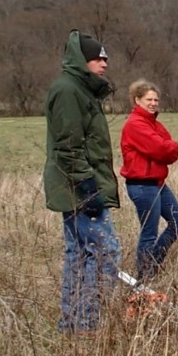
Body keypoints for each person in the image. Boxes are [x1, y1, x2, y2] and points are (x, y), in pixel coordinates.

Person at [44, 30, 120, 333]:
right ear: (82, 59)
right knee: (105, 253)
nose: (104, 64)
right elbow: (68, 145)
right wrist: (87, 186)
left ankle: (73, 325)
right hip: (77, 187)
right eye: (98, 58)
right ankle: (90, 325)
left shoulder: (80, 90)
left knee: (80, 252)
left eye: (105, 59)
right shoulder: (67, 91)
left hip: (78, 184)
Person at [120, 80, 178, 279]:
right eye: (149, 99)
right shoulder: (135, 124)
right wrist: (168, 147)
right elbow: (162, 148)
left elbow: (171, 153)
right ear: (137, 100)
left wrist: (169, 147)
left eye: (156, 99)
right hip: (141, 185)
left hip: (157, 183)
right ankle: (144, 276)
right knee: (149, 232)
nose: (153, 103)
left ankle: (152, 264)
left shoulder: (154, 124)